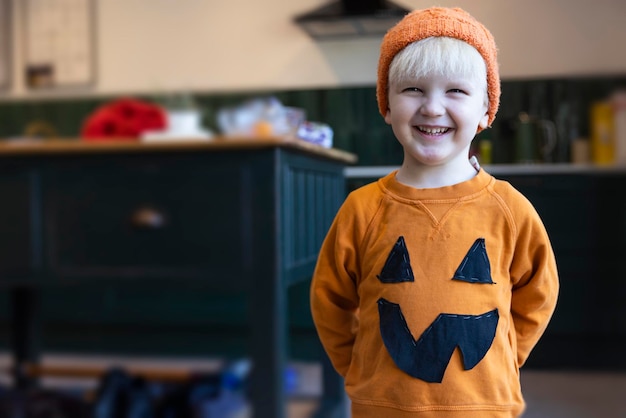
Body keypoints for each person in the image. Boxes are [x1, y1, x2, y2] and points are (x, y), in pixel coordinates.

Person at [310, 6, 559, 418]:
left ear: (485, 110)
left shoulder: (510, 209)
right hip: (382, 405)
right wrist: (358, 366)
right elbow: (330, 299)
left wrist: (506, 358)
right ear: (386, 105)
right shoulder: (363, 208)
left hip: (484, 406)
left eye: (456, 92)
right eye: (412, 90)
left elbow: (538, 295)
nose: (432, 107)